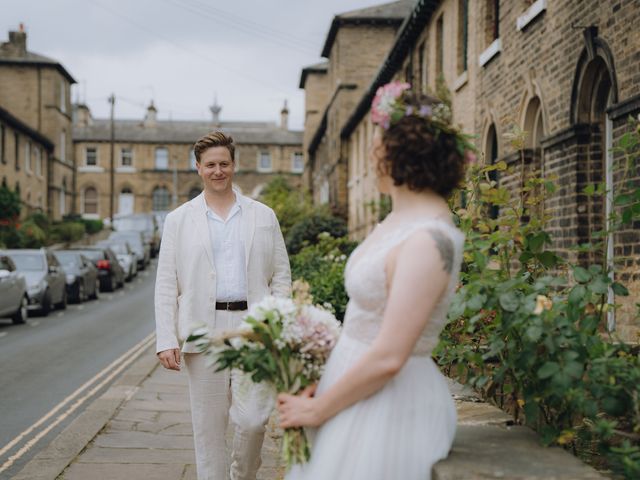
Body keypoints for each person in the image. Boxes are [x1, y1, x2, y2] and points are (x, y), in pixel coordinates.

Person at [276, 82, 469, 479]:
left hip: (389, 408)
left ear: (399, 153)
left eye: (377, 142)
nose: (370, 153)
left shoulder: (429, 240)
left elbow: (389, 356)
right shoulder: (400, 222)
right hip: (352, 392)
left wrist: (317, 410)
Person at [154, 131, 291, 480]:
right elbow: (167, 283)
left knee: (254, 419)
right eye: (210, 165)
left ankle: (241, 475)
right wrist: (166, 338)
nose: (218, 171)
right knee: (209, 430)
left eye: (224, 164)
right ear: (198, 168)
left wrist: (280, 326)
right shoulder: (178, 220)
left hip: (253, 326)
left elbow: (281, 276)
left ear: (234, 166)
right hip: (202, 329)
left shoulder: (263, 215)